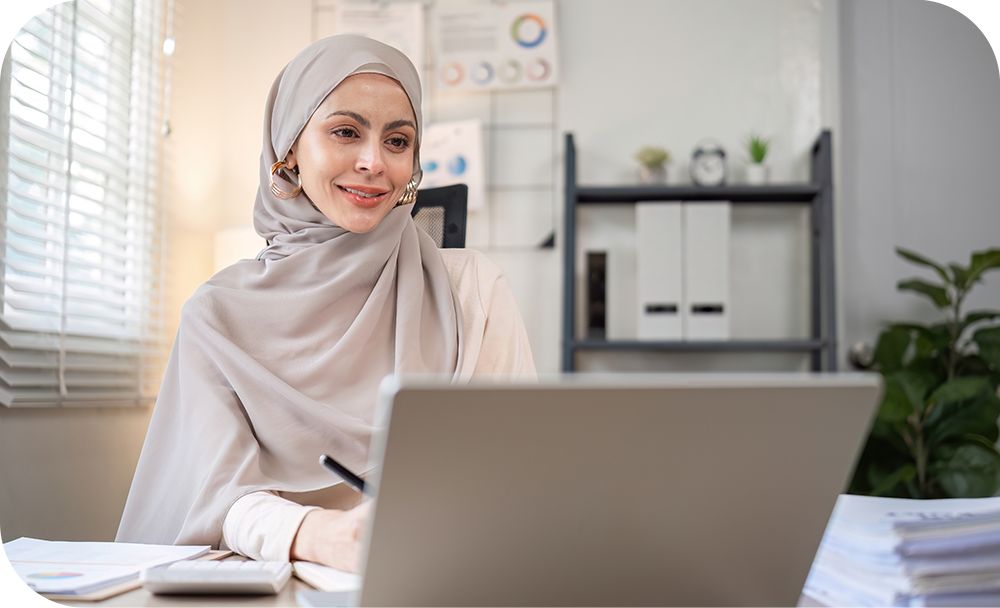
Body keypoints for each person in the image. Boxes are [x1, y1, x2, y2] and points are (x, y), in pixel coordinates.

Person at [115, 35, 536, 573]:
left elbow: (514, 472)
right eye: (345, 132)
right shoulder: (216, 313)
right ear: (289, 146)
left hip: (441, 575)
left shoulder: (472, 290)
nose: (373, 163)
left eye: (398, 141)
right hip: (278, 581)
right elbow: (216, 493)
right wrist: (320, 535)